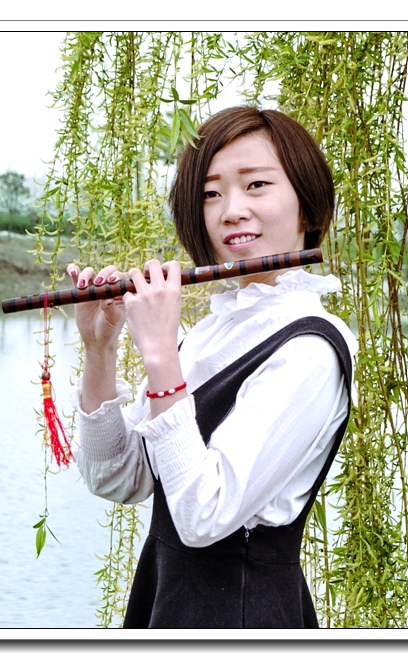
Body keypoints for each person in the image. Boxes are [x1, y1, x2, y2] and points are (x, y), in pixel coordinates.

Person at [66, 106, 357, 629]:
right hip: (165, 601)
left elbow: (204, 515)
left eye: (257, 185)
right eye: (211, 193)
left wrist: (160, 353)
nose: (232, 210)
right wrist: (100, 350)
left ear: (307, 204)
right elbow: (118, 477)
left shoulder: (310, 351)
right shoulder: (213, 332)